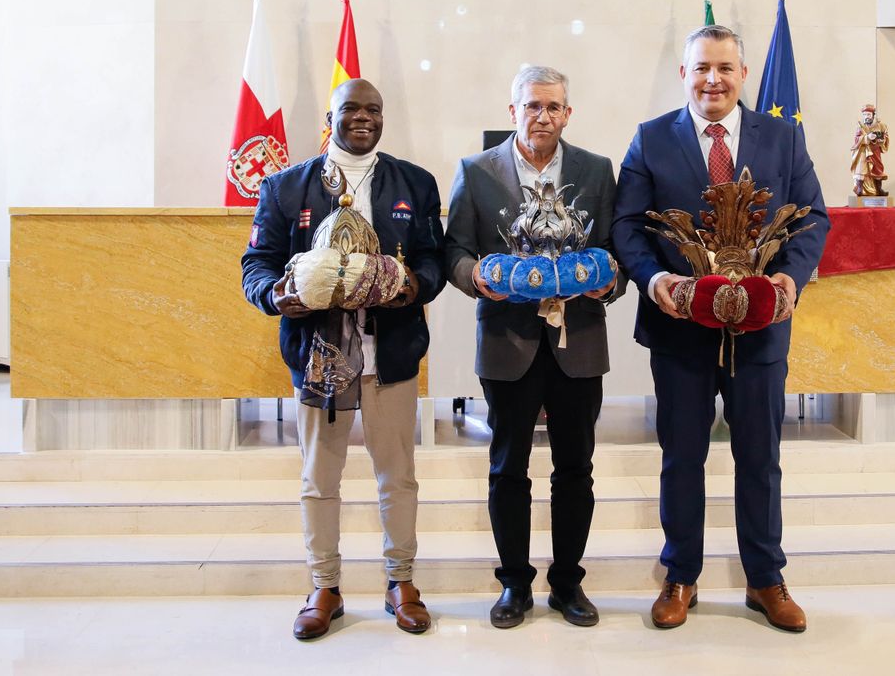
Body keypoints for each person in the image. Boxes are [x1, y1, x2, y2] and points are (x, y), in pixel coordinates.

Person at [611, 25, 829, 634]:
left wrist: (789, 282)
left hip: (760, 331)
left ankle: (766, 579)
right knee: (682, 456)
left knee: (760, 456)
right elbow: (628, 226)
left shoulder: (783, 138)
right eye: (702, 68)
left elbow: (813, 219)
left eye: (725, 68)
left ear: (743, 74)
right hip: (680, 330)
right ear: (684, 74)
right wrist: (655, 282)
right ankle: (680, 575)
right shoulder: (651, 139)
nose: (713, 79)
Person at [241, 78, 446, 641]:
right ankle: (323, 586)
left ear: (383, 118)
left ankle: (401, 581)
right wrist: (277, 295)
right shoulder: (286, 187)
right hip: (318, 358)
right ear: (330, 118)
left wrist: (409, 286)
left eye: (373, 109)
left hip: (393, 354)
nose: (363, 118)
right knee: (319, 477)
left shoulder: (415, 184)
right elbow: (256, 264)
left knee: (397, 476)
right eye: (350, 109)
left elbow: (433, 261)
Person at [445, 65, 621, 629]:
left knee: (576, 467)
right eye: (532, 106)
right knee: (507, 468)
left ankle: (568, 583)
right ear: (512, 110)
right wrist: (479, 278)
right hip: (507, 339)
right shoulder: (476, 172)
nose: (542, 116)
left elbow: (617, 250)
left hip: (579, 341)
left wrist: (609, 281)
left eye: (553, 107)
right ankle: (514, 585)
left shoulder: (597, 170)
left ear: (568, 113)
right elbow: (453, 251)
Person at [850, 103, 890, 198]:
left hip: (875, 151)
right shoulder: (861, 127)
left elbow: (885, 137)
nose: (866, 117)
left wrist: (882, 140)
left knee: (878, 168)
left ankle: (878, 189)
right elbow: (857, 139)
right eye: (864, 115)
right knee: (861, 169)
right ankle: (860, 188)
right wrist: (867, 137)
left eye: (868, 114)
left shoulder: (881, 126)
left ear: (873, 115)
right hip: (864, 151)